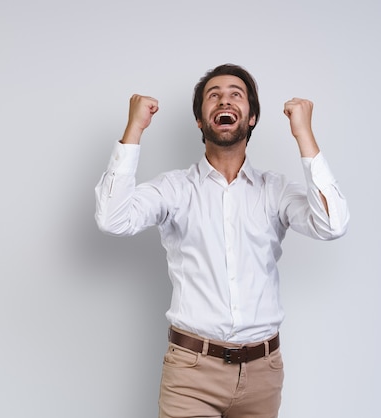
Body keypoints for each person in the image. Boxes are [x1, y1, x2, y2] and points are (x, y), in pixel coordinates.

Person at [95, 64, 349, 418]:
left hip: (263, 374)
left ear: (252, 117)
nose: (223, 100)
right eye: (213, 96)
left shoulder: (274, 190)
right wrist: (134, 129)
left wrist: (303, 135)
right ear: (201, 120)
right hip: (191, 373)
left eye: (235, 94)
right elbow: (113, 218)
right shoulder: (175, 189)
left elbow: (332, 224)